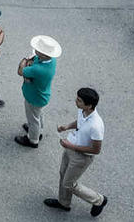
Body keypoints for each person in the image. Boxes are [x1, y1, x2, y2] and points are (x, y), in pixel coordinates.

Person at [45, 87, 107, 216]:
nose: (75, 102)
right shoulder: (83, 111)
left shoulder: (96, 126)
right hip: (71, 148)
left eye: (79, 100)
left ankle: (98, 200)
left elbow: (96, 150)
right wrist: (66, 127)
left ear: (89, 105)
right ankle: (64, 203)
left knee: (69, 183)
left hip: (81, 157)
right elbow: (79, 122)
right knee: (63, 174)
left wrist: (71, 146)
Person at [15, 35, 60, 148]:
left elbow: (21, 71)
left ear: (44, 55)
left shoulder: (37, 69)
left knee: (33, 119)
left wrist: (24, 60)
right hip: (42, 96)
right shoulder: (51, 60)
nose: (35, 51)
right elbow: (34, 60)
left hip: (34, 97)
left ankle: (33, 139)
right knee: (38, 115)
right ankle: (38, 131)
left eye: (38, 50)